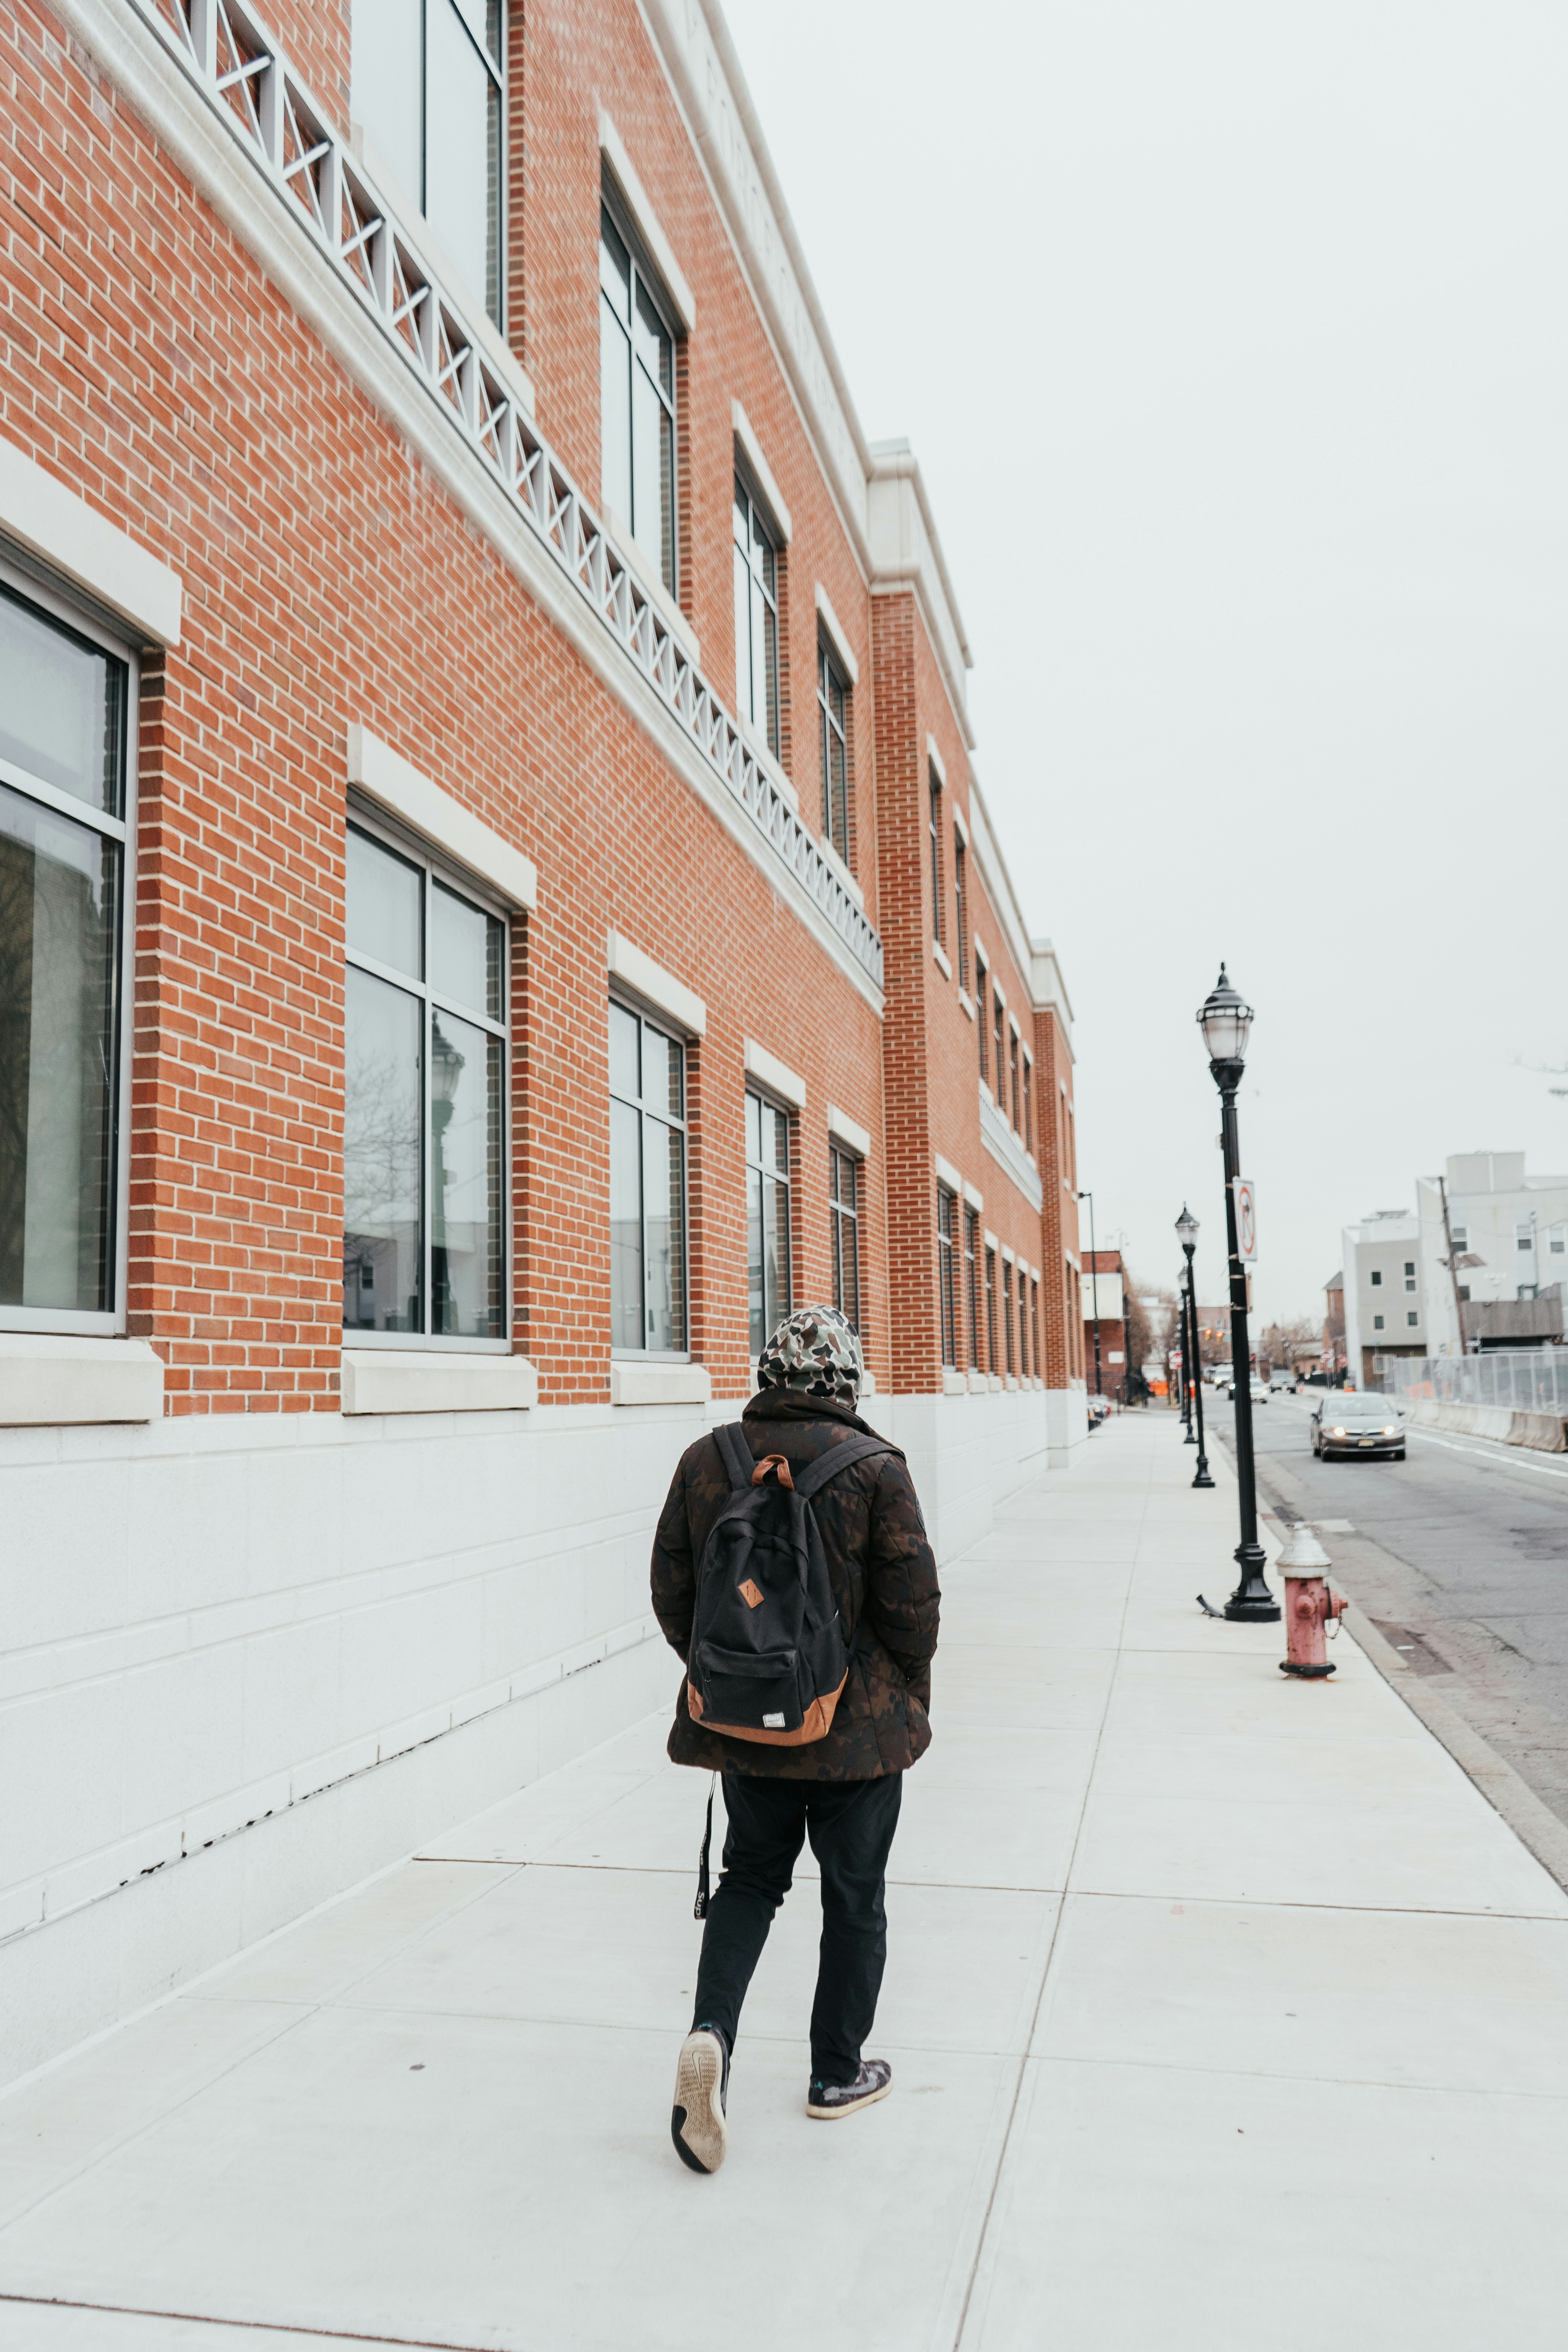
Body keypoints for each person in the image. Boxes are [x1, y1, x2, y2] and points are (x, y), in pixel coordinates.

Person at [650, 1305, 940, 2174]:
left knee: (748, 1880)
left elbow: (674, 1591)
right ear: (845, 1380)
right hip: (856, 1731)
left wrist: (739, 1677)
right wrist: (902, 1690)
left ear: (768, 1374)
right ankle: (835, 2073)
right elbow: (912, 1605)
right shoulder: (874, 1466)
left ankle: (711, 2037)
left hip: (749, 1723)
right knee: (854, 1896)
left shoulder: (709, 1460)